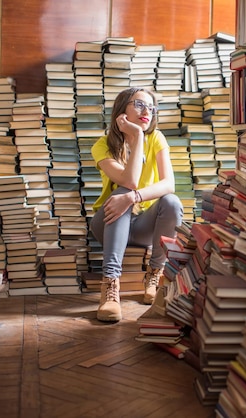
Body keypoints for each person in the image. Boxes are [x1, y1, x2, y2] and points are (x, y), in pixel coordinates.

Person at [90, 87, 183, 322]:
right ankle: (110, 286)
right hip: (108, 224)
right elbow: (130, 181)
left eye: (151, 107)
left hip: (143, 225)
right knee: (122, 193)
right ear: (122, 110)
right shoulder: (102, 145)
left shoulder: (157, 138)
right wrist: (138, 137)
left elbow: (169, 184)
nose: (147, 111)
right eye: (139, 104)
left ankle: (154, 274)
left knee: (171, 202)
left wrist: (135, 197)